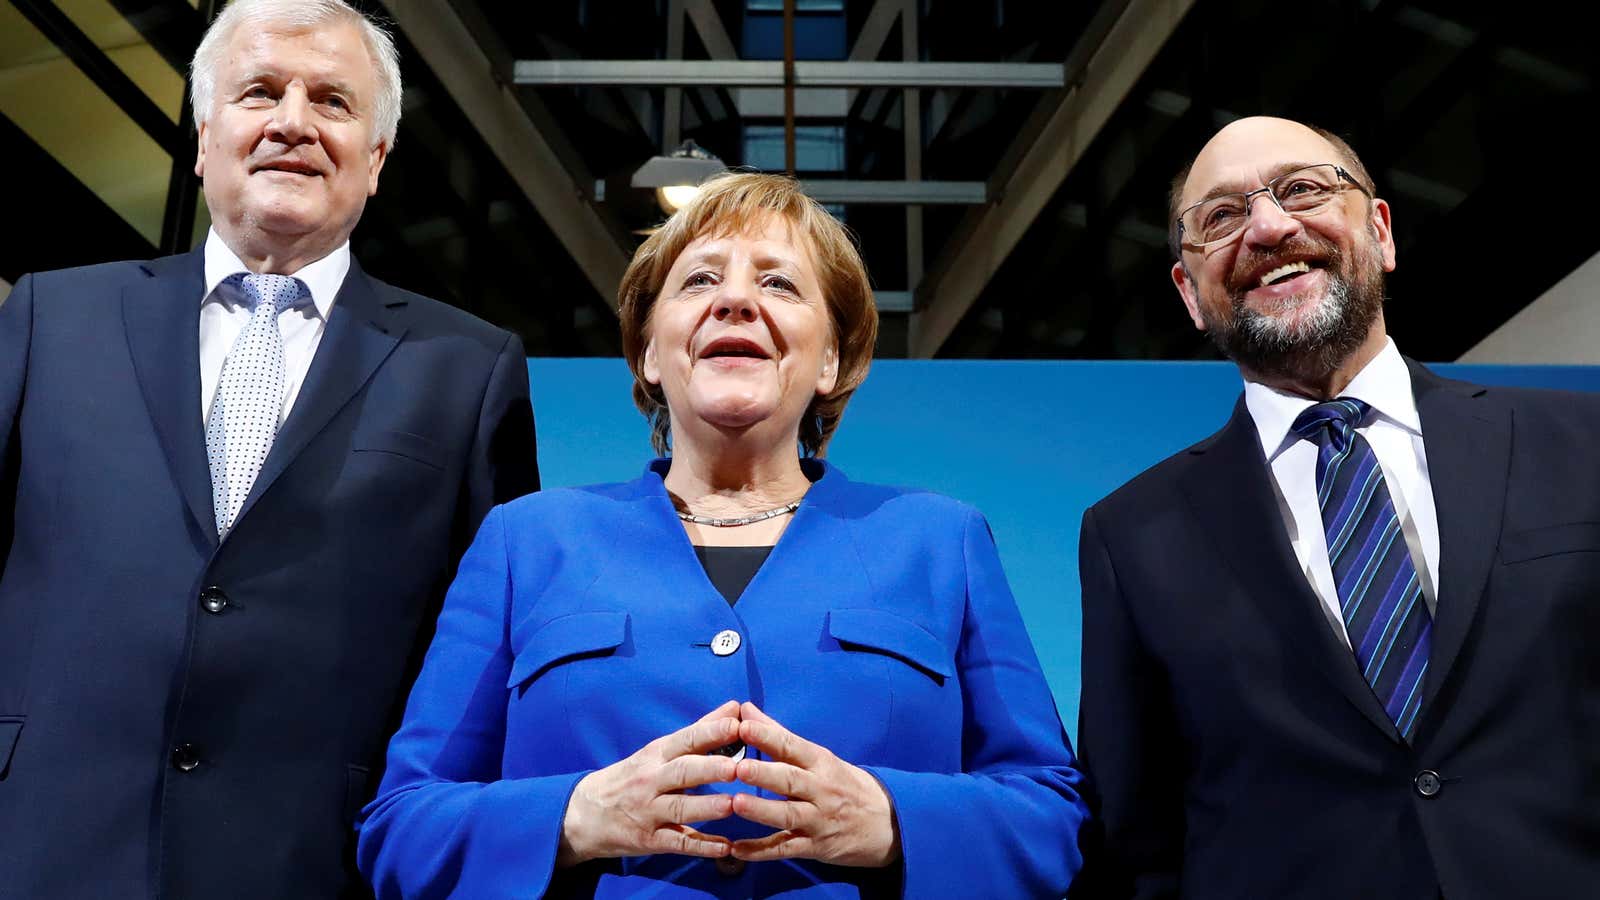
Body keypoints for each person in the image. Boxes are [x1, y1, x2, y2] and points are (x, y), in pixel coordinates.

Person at [356, 171, 1087, 898]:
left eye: (779, 285)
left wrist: (893, 821)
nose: (735, 300)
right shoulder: (525, 541)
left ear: (831, 359)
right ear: (648, 351)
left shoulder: (941, 541)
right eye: (700, 280)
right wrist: (576, 817)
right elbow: (402, 828)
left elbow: (1052, 817)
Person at [0, 1, 538, 896]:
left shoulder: (469, 369)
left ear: (374, 160)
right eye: (260, 92)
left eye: (333, 102)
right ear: (205, 134)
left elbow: (482, 661)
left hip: (314, 861)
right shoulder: (52, 318)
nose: (293, 121)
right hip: (39, 844)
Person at [1071, 115, 1600, 899]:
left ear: (1380, 231)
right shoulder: (1130, 536)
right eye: (1220, 218)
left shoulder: (1581, 442)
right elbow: (1137, 840)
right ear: (1189, 292)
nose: (1270, 226)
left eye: (1304, 189)